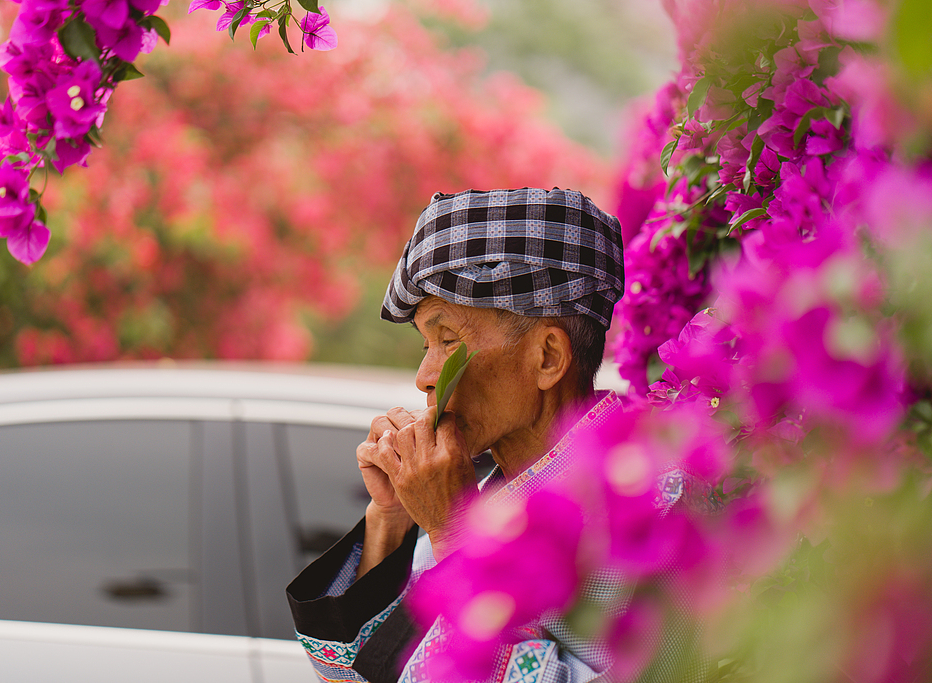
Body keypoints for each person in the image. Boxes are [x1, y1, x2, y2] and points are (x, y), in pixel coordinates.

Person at [287, 188, 698, 683]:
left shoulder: (650, 501)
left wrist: (455, 533)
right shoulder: (478, 493)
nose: (424, 376)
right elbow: (353, 675)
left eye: (448, 340)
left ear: (546, 357)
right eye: (425, 343)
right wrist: (389, 519)